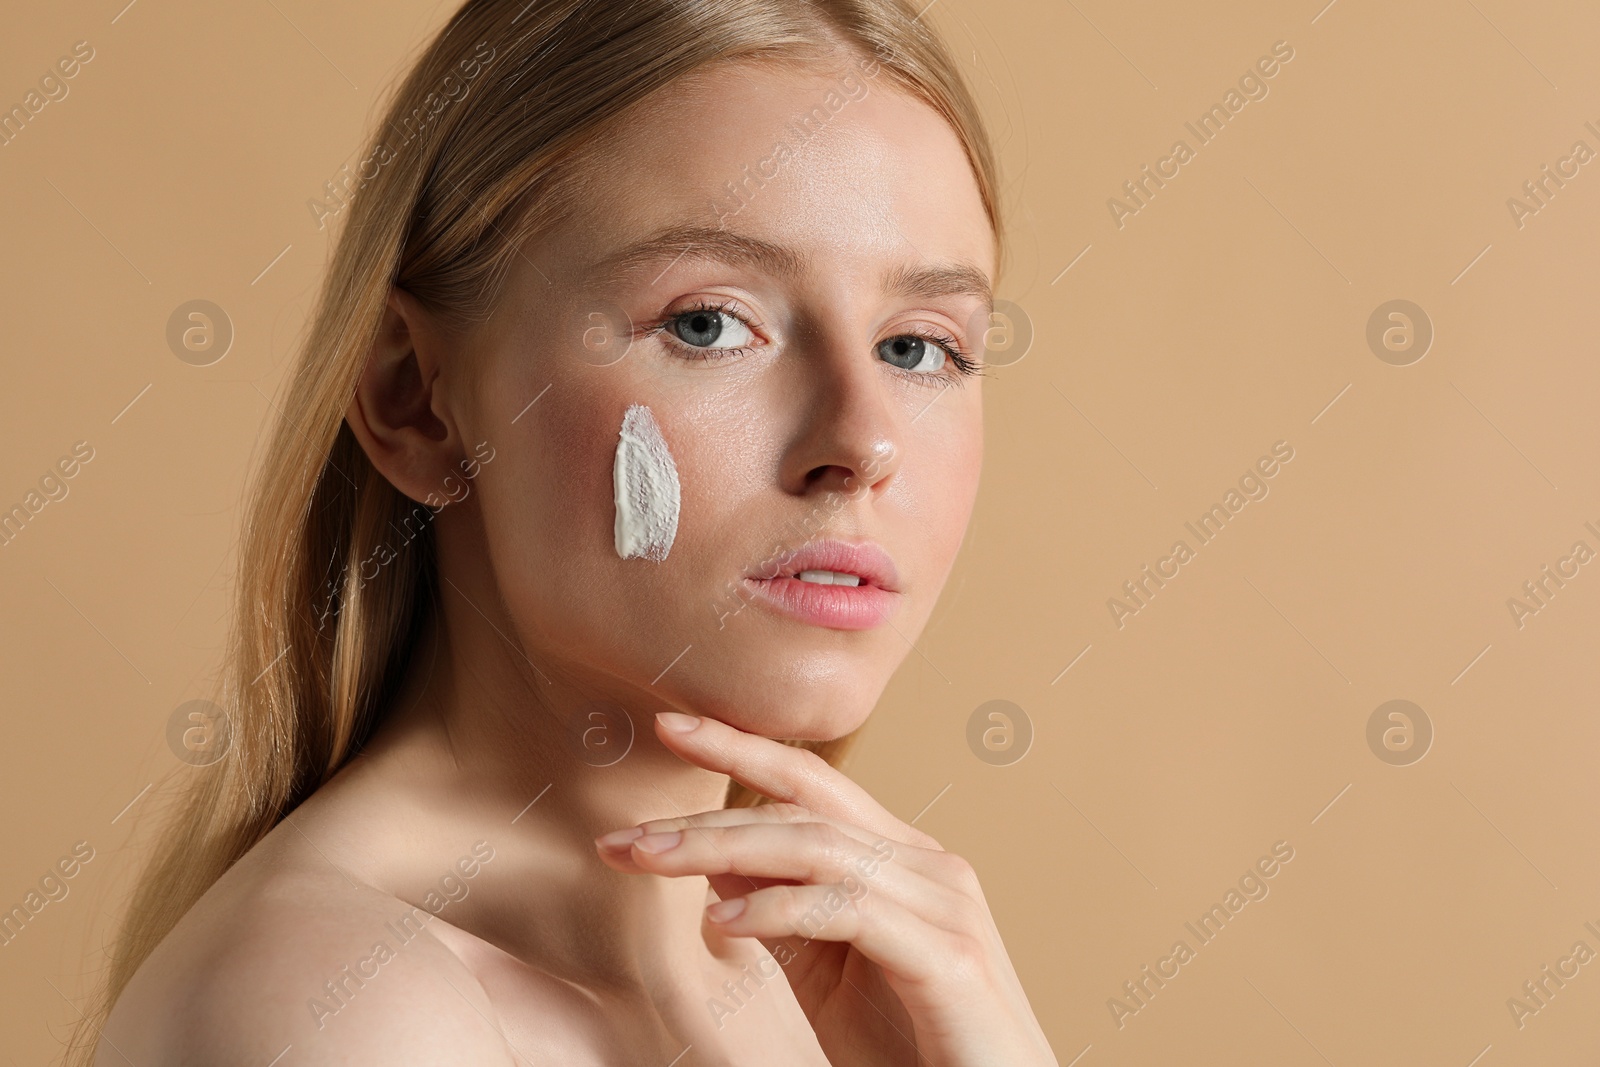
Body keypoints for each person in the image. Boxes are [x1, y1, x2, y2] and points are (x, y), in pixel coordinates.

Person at [79, 1, 1057, 1063]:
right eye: (706, 323)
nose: (863, 443)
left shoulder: (824, 995)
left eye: (919, 348)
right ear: (417, 398)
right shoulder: (348, 1011)